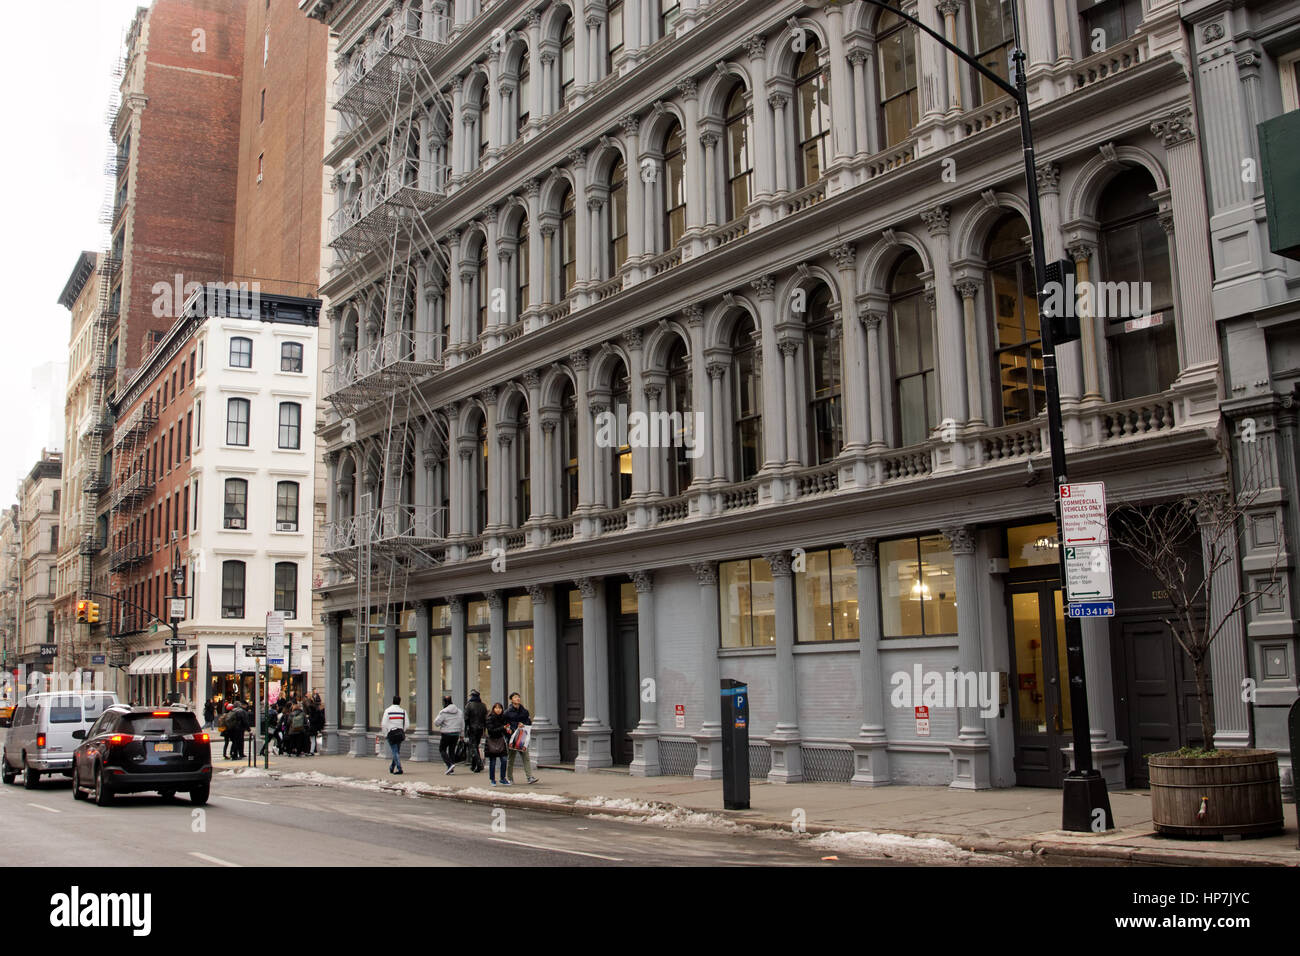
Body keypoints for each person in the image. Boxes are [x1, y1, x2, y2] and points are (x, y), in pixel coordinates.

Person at [503, 692, 539, 785]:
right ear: (511, 700)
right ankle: (510, 778)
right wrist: (510, 732)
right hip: (512, 738)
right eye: (515, 697)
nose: (518, 699)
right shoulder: (507, 712)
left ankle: (529, 777)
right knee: (511, 759)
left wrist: (524, 724)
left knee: (526, 757)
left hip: (522, 737)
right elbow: (505, 725)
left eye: (518, 697)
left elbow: (529, 722)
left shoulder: (524, 711)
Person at [433, 695, 464, 775]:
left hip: (446, 734)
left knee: (442, 749)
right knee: (451, 751)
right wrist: (462, 734)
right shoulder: (459, 711)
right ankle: (451, 770)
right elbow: (462, 724)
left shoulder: (443, 712)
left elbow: (436, 723)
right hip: (456, 734)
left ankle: (449, 764)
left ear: (444, 702)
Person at [484, 702, 509, 785]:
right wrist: (503, 728)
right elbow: (491, 731)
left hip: (501, 740)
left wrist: (507, 730)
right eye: (496, 708)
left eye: (500, 708)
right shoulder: (490, 718)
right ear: (493, 709)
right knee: (493, 761)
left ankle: (502, 778)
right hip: (492, 741)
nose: (498, 710)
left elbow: (505, 729)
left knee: (504, 760)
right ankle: (492, 779)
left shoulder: (503, 718)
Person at [381, 695, 407, 775]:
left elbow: (384, 724)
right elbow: (407, 724)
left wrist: (385, 734)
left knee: (395, 751)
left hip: (391, 733)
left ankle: (399, 768)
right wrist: (402, 730)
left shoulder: (388, 711)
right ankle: (392, 767)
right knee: (396, 751)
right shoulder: (403, 711)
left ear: (392, 701)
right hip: (399, 733)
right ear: (400, 702)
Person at [464, 690, 487, 773]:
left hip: (472, 728)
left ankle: (479, 764)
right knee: (476, 746)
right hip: (480, 729)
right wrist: (484, 729)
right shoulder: (483, 705)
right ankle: (474, 766)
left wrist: (466, 729)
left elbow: (466, 718)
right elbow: (485, 719)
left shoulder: (469, 705)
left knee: (473, 746)